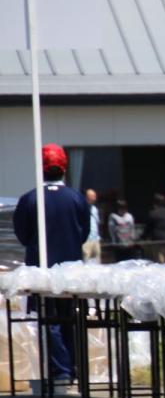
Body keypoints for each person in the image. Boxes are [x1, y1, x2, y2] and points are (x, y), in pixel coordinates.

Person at [12, 144, 90, 382]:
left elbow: (23, 235)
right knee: (70, 317)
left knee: (49, 319)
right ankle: (73, 366)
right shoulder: (77, 198)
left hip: (41, 269)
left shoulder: (30, 199)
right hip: (72, 269)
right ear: (64, 168)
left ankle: (61, 369)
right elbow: (84, 233)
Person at [143, 193, 165, 264]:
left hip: (159, 242)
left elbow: (148, 229)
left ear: (154, 203)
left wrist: (143, 238)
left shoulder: (153, 213)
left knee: (160, 265)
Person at [82, 188, 102, 262]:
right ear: (87, 197)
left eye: (95, 196)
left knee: (97, 260)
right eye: (93, 196)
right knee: (86, 259)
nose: (95, 198)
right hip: (87, 240)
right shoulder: (82, 208)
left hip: (95, 238)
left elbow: (97, 223)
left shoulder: (94, 209)